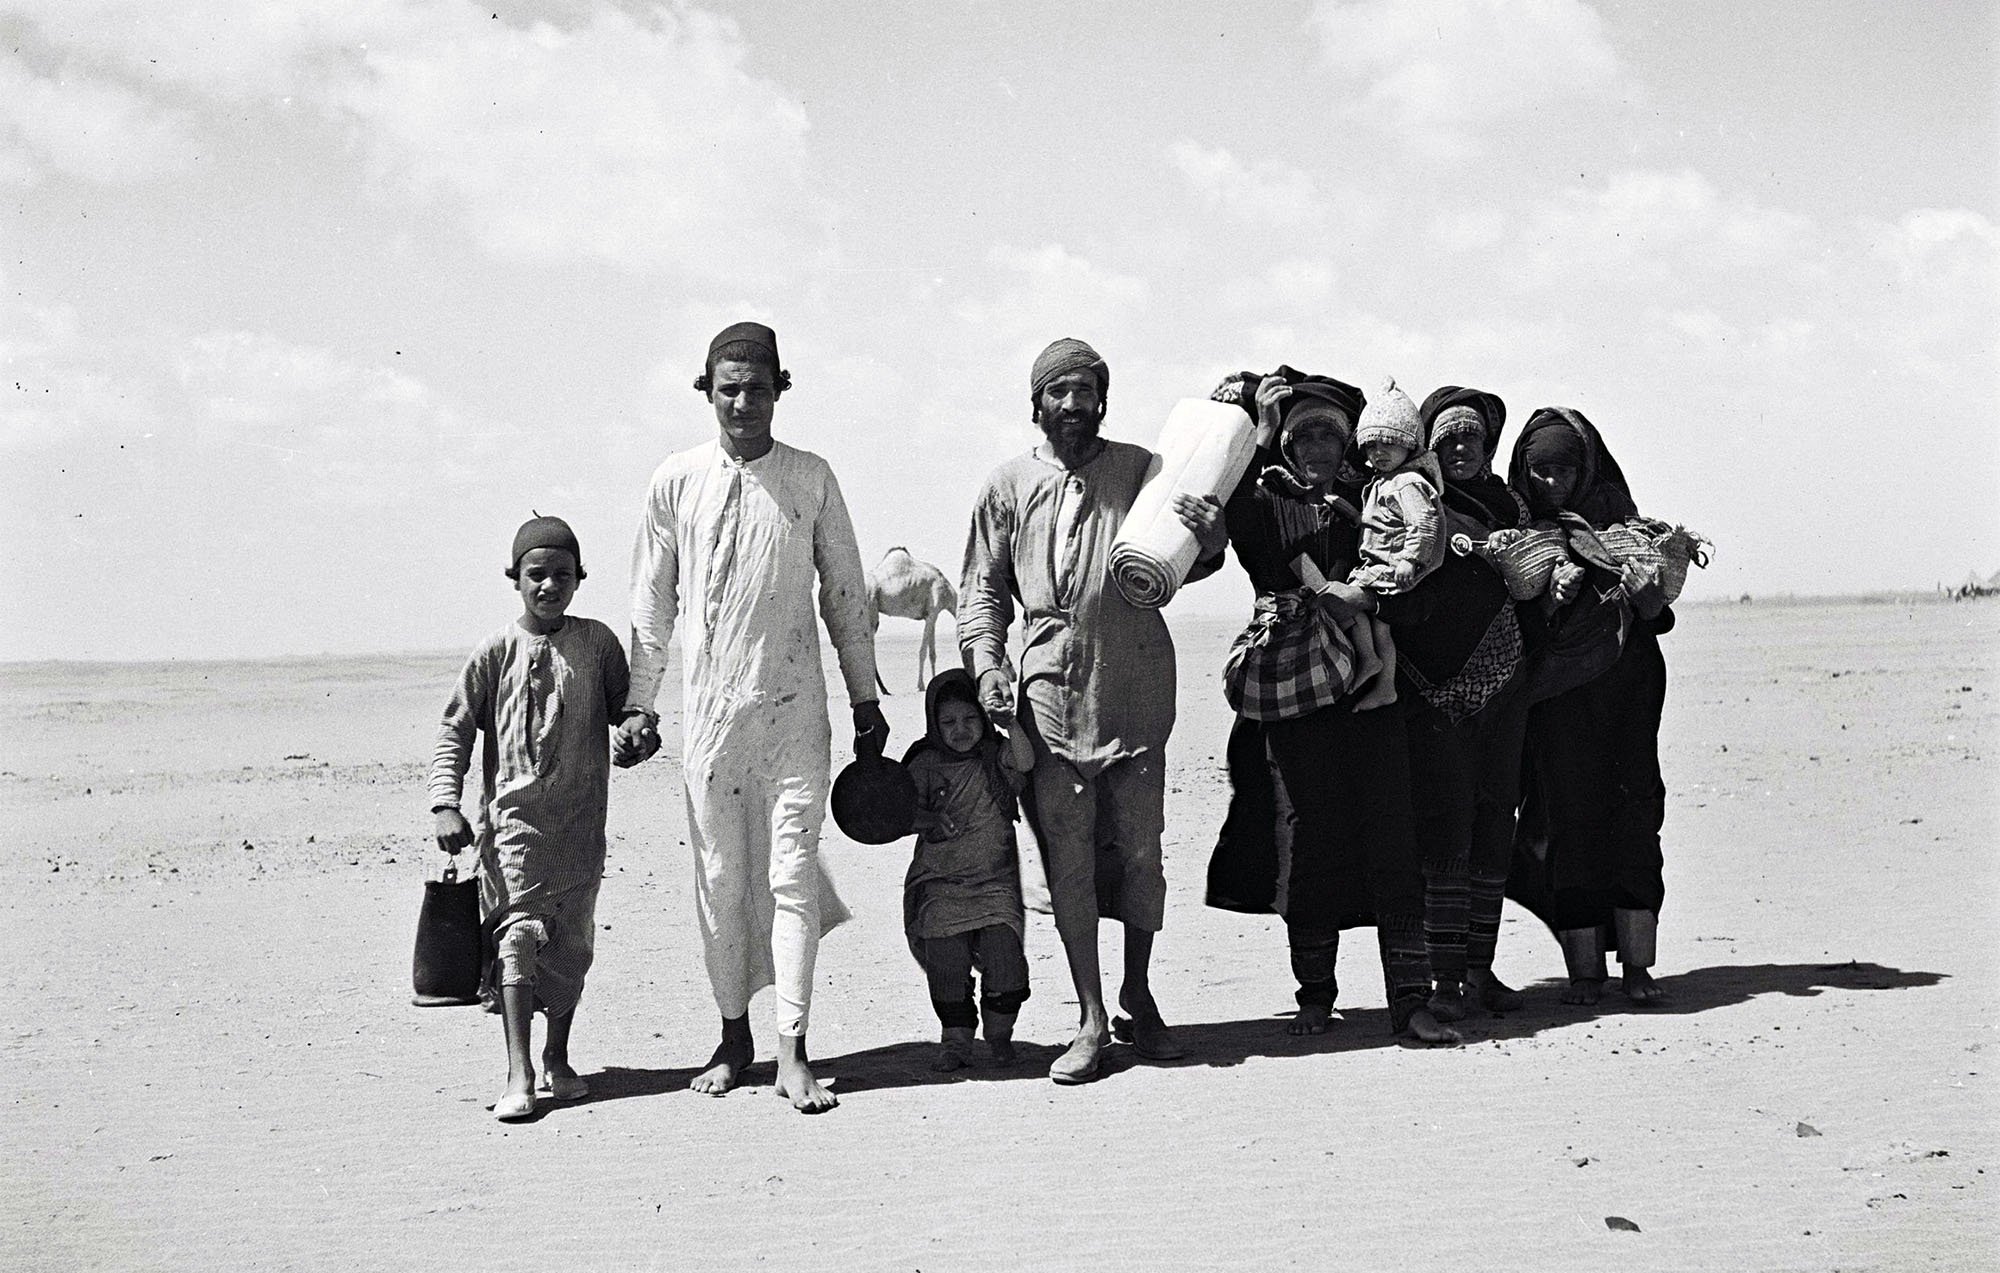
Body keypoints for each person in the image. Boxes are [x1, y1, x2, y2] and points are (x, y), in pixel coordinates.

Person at [618, 321, 890, 1113]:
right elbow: (651, 604)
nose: (743, 401)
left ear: (781, 389)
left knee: (791, 878)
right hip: (710, 721)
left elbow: (844, 593)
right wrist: (640, 702)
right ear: (707, 391)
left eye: (758, 386)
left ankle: (792, 1048)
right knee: (718, 880)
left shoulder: (811, 477)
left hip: (797, 713)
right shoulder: (676, 479)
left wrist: (866, 696)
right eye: (728, 387)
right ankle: (732, 1033)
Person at [958, 337, 1227, 1084]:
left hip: (1137, 684)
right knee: (1068, 859)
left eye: (1086, 391)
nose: (1073, 404)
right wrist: (986, 669)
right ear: (1036, 402)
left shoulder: (1145, 469)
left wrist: (1212, 536)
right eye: (1059, 392)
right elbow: (980, 592)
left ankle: (1140, 992)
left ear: (1103, 399)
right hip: (1047, 695)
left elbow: (1191, 557)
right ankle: (1091, 1015)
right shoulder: (1006, 485)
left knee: (1142, 852)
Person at [1205, 368, 1459, 1045]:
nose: (1317, 442)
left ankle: (1411, 1000)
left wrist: (1370, 599)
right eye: (1303, 431)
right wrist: (1257, 431)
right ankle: (1314, 995)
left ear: (1350, 442)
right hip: (1291, 683)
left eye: (1330, 431)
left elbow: (1422, 574)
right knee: (1310, 835)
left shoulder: (1375, 496)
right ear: (1284, 442)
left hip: (1372, 689)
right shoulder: (1258, 498)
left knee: (1392, 835)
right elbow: (1238, 526)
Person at [429, 516, 641, 1121]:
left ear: (579, 578)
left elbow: (626, 714)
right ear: (514, 579)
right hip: (512, 829)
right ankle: (519, 1070)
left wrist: (635, 736)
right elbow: (455, 728)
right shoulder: (495, 652)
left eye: (561, 575)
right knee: (517, 939)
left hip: (578, 828)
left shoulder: (598, 644)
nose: (549, 585)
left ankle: (558, 1057)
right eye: (536, 575)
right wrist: (446, 803)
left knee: (571, 947)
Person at [1505, 405, 1673, 1006]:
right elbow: (1507, 621)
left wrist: (1648, 598)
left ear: (1588, 466)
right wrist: (1548, 601)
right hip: (1557, 696)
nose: (1552, 482)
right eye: (1539, 469)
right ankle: (1583, 974)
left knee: (1635, 814)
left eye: (1564, 468)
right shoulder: (1515, 530)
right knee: (1569, 820)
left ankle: (1637, 967)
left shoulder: (1624, 524)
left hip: (1630, 689)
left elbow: (1658, 616)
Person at [1395, 386, 1534, 1019]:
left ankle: (1481, 972)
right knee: (1445, 832)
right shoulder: (1411, 495)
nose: (1458, 447)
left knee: (1492, 827)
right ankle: (1444, 982)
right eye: (1446, 437)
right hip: (1429, 689)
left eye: (1470, 437)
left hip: (1504, 685)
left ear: (1488, 445)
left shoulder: (1509, 502)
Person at [901, 668, 1034, 1071]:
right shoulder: (924, 764)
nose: (960, 730)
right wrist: (927, 821)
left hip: (995, 883)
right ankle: (956, 1041)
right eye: (949, 722)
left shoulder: (997, 756)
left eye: (970, 718)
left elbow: (1026, 763)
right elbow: (897, 812)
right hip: (940, 883)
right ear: (933, 725)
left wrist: (1009, 724)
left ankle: (998, 1036)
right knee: (946, 961)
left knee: (1005, 957)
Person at [1344, 377, 1448, 712]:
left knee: (1345, 599)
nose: (1379, 452)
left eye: (1389, 443)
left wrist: (1410, 560)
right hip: (1378, 564)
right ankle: (1381, 677)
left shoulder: (1407, 482)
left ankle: (1370, 661)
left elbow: (1425, 522)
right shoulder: (1383, 482)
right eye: (1372, 446)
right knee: (1380, 625)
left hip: (1391, 567)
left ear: (1410, 446)